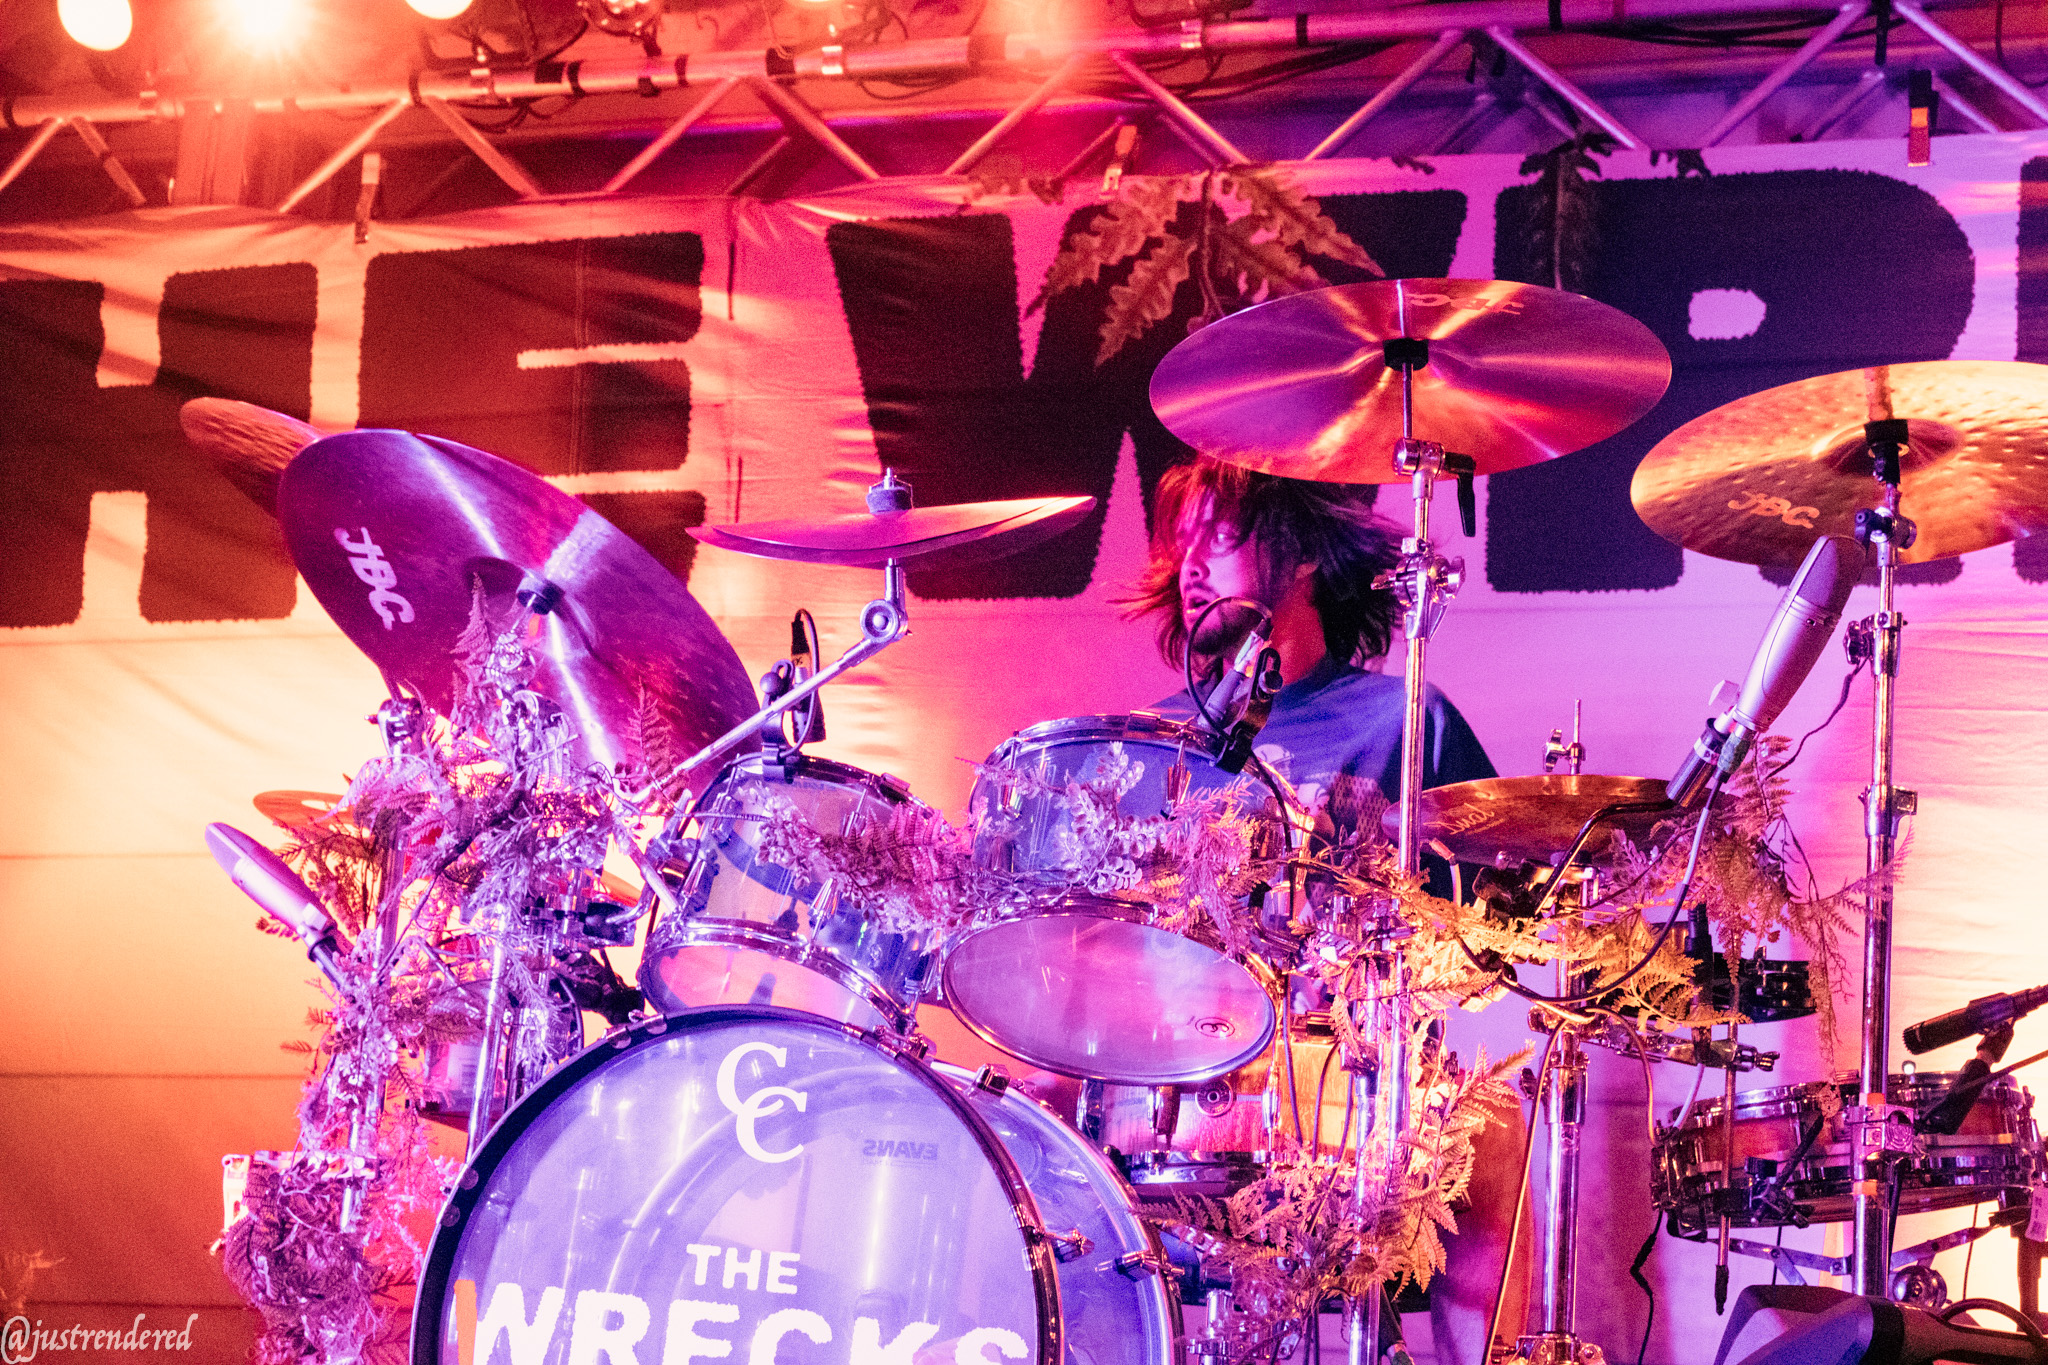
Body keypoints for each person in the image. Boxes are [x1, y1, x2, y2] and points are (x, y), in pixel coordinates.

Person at [1125, 456, 1525, 1365]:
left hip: (1343, 1080)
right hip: (1174, 1083)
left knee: (1493, 1126)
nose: (1191, 566)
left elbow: (1493, 923)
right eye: (1181, 544)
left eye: (1221, 538)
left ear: (1301, 553)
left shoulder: (1401, 720)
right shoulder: (1149, 743)